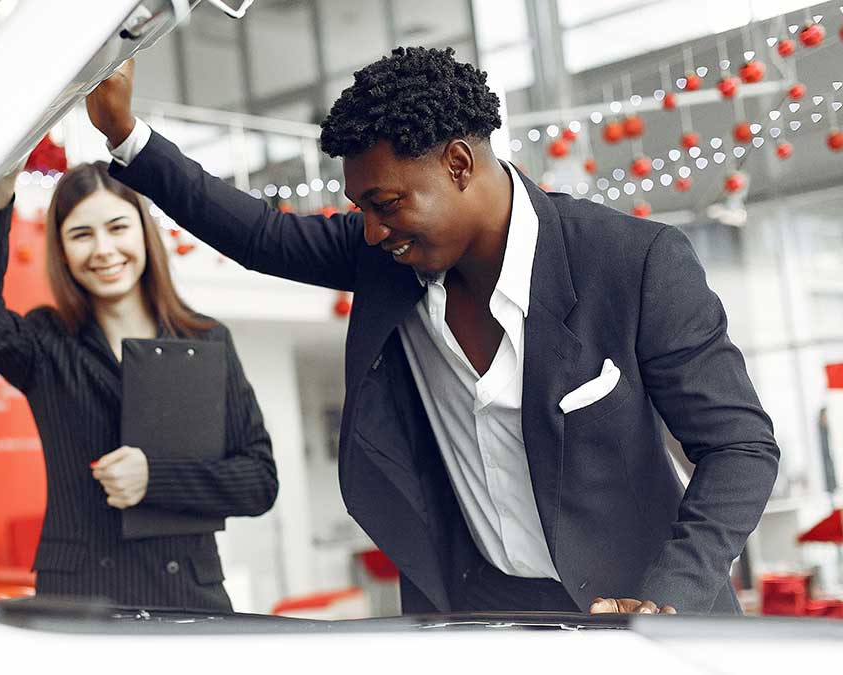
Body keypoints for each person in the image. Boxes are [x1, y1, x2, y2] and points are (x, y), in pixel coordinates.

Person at [85, 48, 779, 615]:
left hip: (637, 613)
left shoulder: (633, 262)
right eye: (361, 207)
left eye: (385, 203)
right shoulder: (388, 261)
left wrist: (668, 598)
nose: (371, 230)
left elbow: (739, 446)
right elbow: (259, 234)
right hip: (479, 615)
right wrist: (124, 132)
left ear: (458, 164)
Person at [0, 160, 278, 611]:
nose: (103, 250)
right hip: (81, 600)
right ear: (61, 250)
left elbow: (259, 481)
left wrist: (155, 478)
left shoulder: (205, 339)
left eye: (117, 227)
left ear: (143, 231)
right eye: (81, 234)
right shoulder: (45, 341)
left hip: (188, 598)